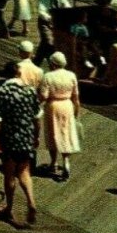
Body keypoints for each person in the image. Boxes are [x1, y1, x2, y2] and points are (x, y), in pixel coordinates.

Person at [0, 61, 41, 227]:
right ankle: (31, 202)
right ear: (19, 73)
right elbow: (37, 117)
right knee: (25, 171)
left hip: (10, 137)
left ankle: (9, 208)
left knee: (9, 174)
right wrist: (36, 136)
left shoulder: (1, 92)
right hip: (26, 135)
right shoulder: (30, 90)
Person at [38, 52, 81, 180]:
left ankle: (53, 162)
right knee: (65, 134)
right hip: (67, 105)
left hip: (53, 106)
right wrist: (76, 112)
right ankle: (66, 161)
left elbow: (44, 96)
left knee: (53, 134)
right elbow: (76, 97)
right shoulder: (71, 75)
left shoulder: (48, 76)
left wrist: (36, 103)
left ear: (53, 64)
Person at [33, 0, 71, 65]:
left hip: (57, 22)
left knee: (44, 44)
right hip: (45, 22)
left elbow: (66, 6)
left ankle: (36, 62)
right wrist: (50, 18)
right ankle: (52, 64)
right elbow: (41, 11)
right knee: (49, 42)